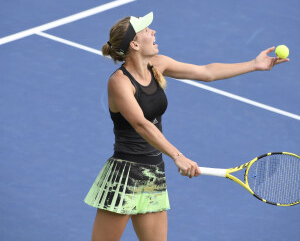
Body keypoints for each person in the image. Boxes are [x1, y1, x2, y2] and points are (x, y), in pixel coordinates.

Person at [84, 12, 289, 241]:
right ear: (134, 44)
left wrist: (253, 64)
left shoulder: (158, 65)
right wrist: (177, 156)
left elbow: (207, 72)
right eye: (146, 31)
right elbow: (141, 124)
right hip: (124, 177)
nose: (153, 32)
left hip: (152, 173)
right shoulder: (119, 82)